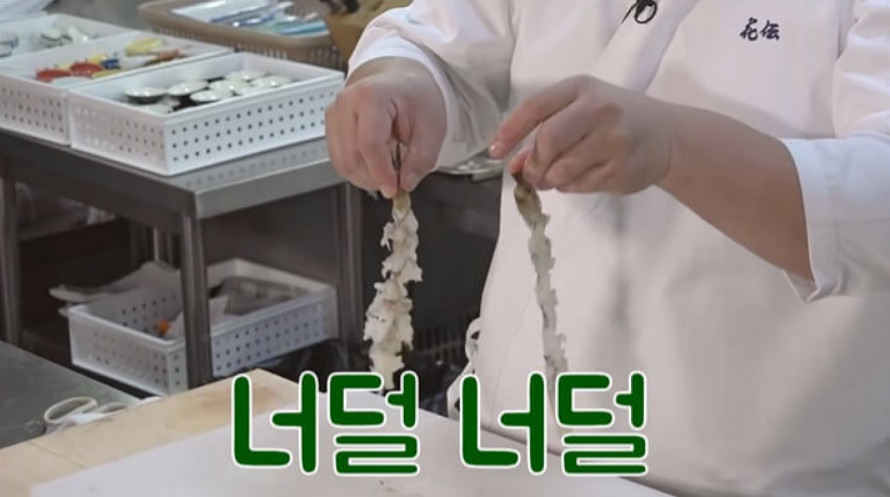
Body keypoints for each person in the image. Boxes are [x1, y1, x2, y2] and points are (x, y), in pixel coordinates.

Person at [325, 1, 890, 495]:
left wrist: (676, 149)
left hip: (747, 475)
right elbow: (443, 41)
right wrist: (404, 79)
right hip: (512, 452)